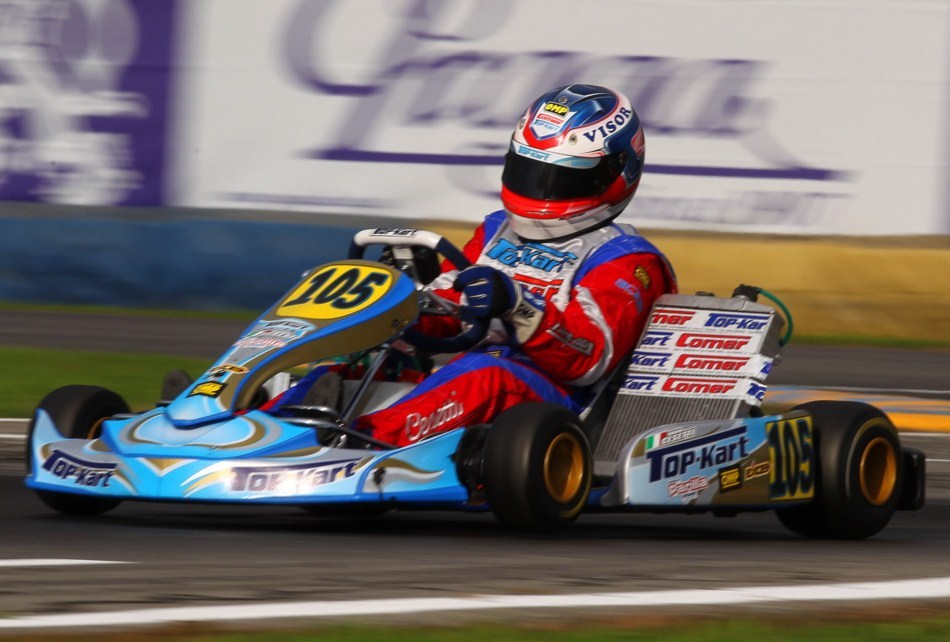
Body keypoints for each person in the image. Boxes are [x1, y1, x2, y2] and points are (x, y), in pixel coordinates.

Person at [352, 84, 676, 447]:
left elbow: (588, 356)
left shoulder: (628, 259)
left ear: (616, 174)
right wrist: (401, 306)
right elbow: (450, 306)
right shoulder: (496, 230)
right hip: (466, 375)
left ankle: (362, 443)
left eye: (563, 178)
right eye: (529, 171)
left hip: (553, 406)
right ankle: (299, 425)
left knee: (486, 375)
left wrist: (518, 307)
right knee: (374, 360)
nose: (541, 189)